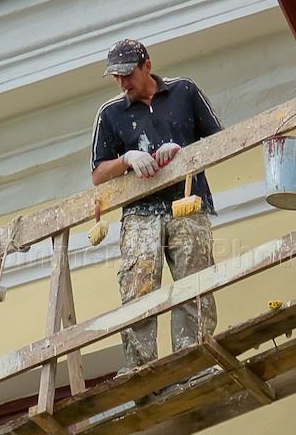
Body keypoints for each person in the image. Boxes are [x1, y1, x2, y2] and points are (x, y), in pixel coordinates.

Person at [90, 38, 223, 368]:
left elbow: (218, 139)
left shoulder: (184, 91)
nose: (122, 83)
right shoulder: (110, 113)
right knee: (138, 290)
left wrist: (181, 151)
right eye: (116, 77)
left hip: (187, 202)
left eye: (127, 74)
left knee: (194, 285)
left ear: (147, 66)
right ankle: (143, 371)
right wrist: (127, 159)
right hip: (140, 213)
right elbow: (98, 174)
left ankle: (194, 364)